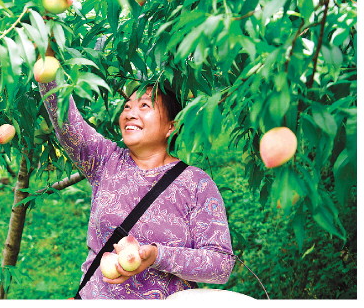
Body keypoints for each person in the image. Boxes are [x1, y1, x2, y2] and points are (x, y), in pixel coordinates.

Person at [38, 75, 235, 299]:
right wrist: (47, 66)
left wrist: (157, 256)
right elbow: (65, 120)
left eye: (144, 106)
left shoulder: (196, 184)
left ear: (171, 126)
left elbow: (221, 265)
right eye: (127, 106)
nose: (130, 113)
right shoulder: (105, 161)